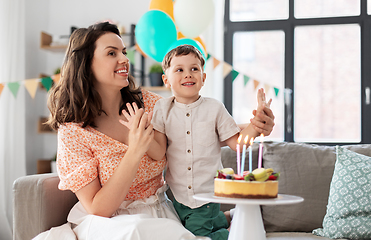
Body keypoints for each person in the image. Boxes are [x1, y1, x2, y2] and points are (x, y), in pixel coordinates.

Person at [34, 22, 195, 240]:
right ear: (86, 65)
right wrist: (135, 151)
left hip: (158, 214)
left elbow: (196, 124)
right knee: (137, 230)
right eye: (112, 53)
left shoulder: (149, 103)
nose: (124, 59)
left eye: (124, 52)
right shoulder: (73, 131)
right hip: (108, 224)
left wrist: (247, 129)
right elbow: (98, 209)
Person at [121, 45, 275, 240]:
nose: (188, 74)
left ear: (203, 78)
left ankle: (230, 235)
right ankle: (226, 218)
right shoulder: (162, 108)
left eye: (194, 69)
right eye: (179, 70)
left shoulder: (215, 108)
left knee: (196, 236)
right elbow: (159, 151)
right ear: (166, 80)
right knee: (187, 227)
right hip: (175, 197)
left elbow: (238, 144)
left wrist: (256, 124)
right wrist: (138, 132)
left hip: (206, 195)